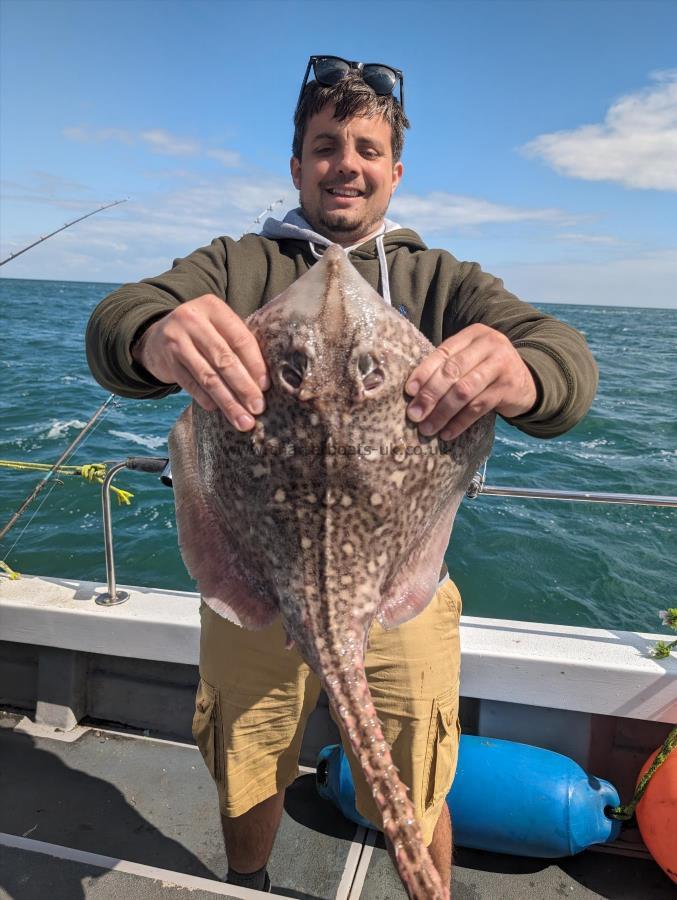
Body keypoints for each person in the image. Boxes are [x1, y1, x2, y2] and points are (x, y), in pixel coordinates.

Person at [86, 56, 598, 894]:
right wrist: (153, 333)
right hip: (259, 575)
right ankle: (246, 880)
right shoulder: (236, 264)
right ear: (297, 164)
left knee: (415, 774)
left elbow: (564, 364)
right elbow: (115, 323)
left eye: (366, 147)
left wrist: (523, 370)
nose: (346, 164)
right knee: (250, 763)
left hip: (397, 585)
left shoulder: (441, 283)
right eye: (326, 145)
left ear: (394, 171)